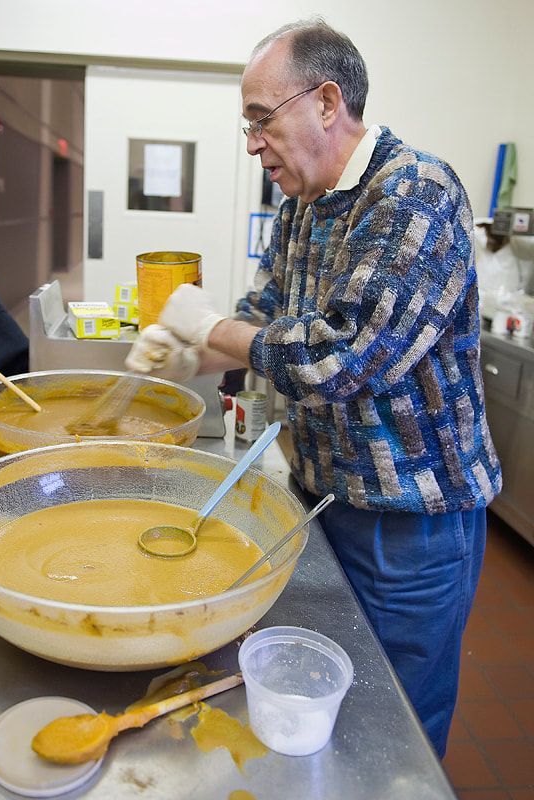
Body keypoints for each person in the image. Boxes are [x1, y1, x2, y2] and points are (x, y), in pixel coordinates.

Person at [126, 17, 502, 757]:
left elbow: (347, 359)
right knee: (329, 706)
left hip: (413, 525)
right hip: (326, 499)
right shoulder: (300, 206)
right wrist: (185, 353)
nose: (252, 142)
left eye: (262, 120)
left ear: (327, 102)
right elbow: (267, 318)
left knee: (395, 727)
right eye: (248, 125)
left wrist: (212, 330)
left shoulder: (414, 193)